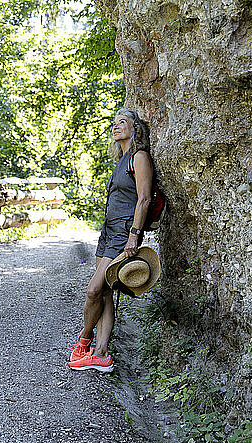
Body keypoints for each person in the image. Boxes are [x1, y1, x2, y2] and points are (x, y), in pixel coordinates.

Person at [68, 108, 154, 372]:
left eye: (123, 123)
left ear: (134, 128)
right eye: (114, 123)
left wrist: (134, 236)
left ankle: (84, 341)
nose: (116, 127)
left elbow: (144, 199)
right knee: (104, 292)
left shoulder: (139, 157)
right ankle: (101, 354)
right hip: (108, 232)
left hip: (123, 234)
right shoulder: (122, 159)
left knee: (94, 289)